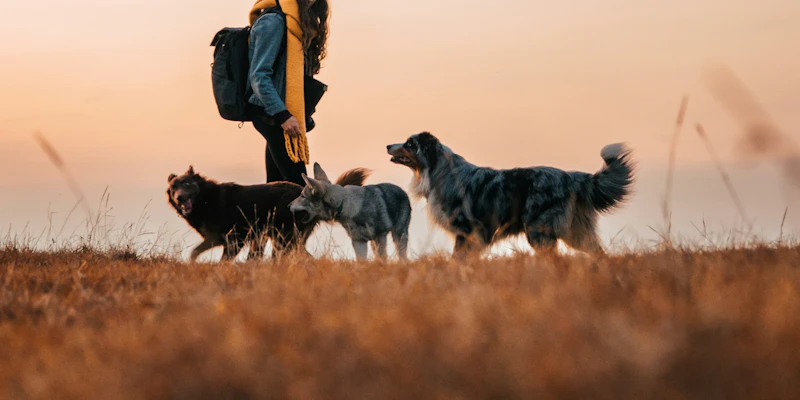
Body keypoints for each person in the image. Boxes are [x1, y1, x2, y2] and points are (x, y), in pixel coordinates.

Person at [247, 0, 329, 185]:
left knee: (278, 187)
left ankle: (267, 215)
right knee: (299, 187)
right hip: (272, 114)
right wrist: (283, 115)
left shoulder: (299, 24)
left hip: (282, 114)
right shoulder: (273, 21)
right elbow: (259, 76)